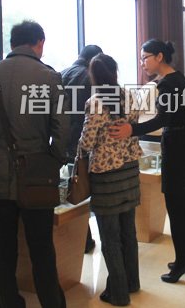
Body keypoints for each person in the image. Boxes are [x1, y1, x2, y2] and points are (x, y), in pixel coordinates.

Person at [0, 20, 68, 308]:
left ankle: (9, 301)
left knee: (2, 250)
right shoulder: (49, 77)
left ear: (12, 44)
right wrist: (54, 160)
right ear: (39, 43)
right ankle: (51, 303)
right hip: (37, 175)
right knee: (41, 248)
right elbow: (61, 128)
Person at [110, 40, 185, 284]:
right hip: (184, 142)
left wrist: (132, 129)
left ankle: (182, 261)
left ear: (159, 56)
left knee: (176, 206)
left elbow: (163, 119)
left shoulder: (167, 84)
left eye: (145, 57)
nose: (142, 63)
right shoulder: (178, 78)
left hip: (176, 146)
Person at [77, 53, 141, 306]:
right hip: (130, 169)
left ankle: (119, 293)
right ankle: (132, 282)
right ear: (114, 72)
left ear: (93, 76)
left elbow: (87, 141)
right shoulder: (128, 96)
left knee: (110, 236)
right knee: (128, 231)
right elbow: (134, 124)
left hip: (106, 175)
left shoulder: (95, 103)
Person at [61, 44, 103, 254]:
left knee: (73, 189)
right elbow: (90, 115)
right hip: (83, 141)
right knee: (88, 189)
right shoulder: (88, 77)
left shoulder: (61, 74)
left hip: (63, 140)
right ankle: (88, 239)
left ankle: (81, 239)